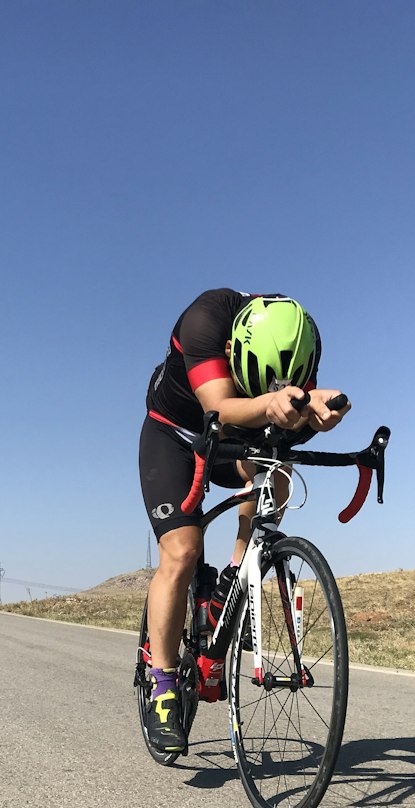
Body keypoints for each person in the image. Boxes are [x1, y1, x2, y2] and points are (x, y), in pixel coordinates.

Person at [139, 289, 350, 754]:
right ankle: (163, 685)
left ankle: (237, 574)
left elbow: (293, 415)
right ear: (233, 352)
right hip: (175, 436)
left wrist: (316, 409)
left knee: (275, 464)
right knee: (183, 550)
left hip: (234, 442)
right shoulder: (205, 320)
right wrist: (272, 405)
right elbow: (219, 406)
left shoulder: (300, 339)